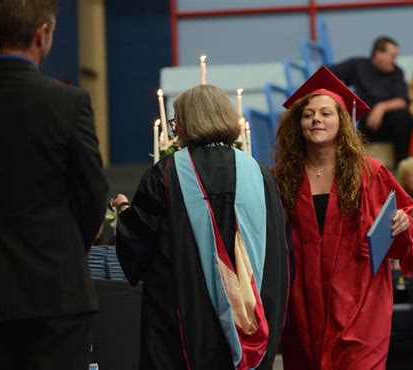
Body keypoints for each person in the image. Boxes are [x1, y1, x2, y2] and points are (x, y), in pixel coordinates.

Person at [112, 84, 293, 370]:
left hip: (182, 323)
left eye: (177, 121)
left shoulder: (165, 174)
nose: (175, 129)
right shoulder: (260, 175)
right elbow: (280, 254)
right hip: (251, 317)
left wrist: (124, 212)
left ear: (187, 123)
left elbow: (139, 244)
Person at [0, 1, 108, 369]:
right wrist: (68, 249)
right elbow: (93, 193)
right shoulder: (68, 102)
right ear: (42, 34)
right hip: (58, 296)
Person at [274, 66, 413, 370]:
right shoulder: (281, 178)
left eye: (326, 113)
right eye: (308, 114)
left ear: (342, 122)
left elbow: (404, 227)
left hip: (360, 304)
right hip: (303, 308)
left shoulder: (369, 172)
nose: (316, 119)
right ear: (298, 123)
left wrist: (402, 226)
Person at [330, 36, 413, 165]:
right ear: (378, 54)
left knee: (403, 116)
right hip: (362, 122)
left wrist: (381, 107)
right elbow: (328, 74)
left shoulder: (397, 72)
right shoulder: (357, 65)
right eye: (392, 56)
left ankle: (402, 166)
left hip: (388, 123)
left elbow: (402, 101)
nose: (394, 60)